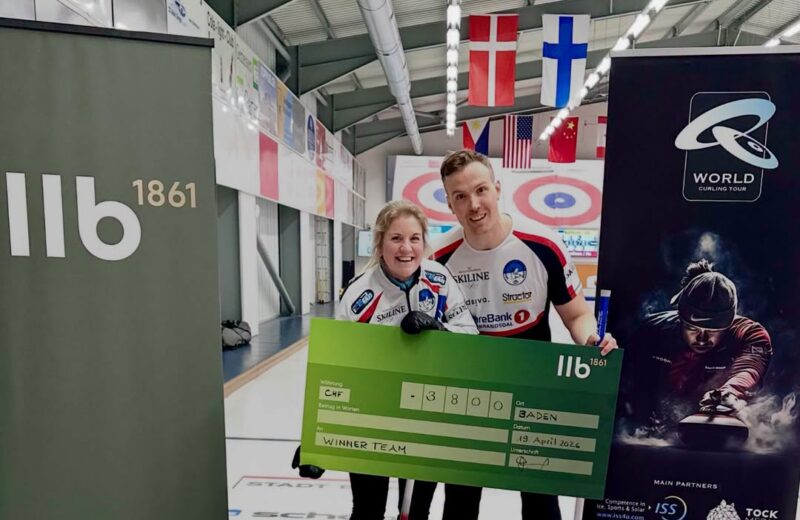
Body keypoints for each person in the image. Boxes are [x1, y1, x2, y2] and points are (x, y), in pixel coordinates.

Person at [432, 149, 617, 520]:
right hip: (470, 390)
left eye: (481, 190)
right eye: (461, 196)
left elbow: (577, 315)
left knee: (540, 502)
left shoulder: (543, 245)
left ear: (498, 188)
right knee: (460, 502)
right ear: (450, 204)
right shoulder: (438, 259)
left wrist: (591, 339)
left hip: (533, 387)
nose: (474, 204)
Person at [337, 199, 478, 520]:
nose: (406, 248)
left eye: (414, 238)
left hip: (426, 415)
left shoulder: (439, 279)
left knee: (415, 511)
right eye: (396, 238)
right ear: (380, 243)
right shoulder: (359, 294)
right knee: (368, 510)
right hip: (372, 417)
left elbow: (469, 334)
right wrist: (316, 438)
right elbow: (336, 366)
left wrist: (440, 331)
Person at [626, 259, 772, 427]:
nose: (702, 339)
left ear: (728, 325)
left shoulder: (750, 333)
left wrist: (728, 393)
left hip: (719, 420)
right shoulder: (650, 331)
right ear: (680, 318)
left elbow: (750, 366)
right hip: (649, 423)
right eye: (692, 328)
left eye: (713, 331)